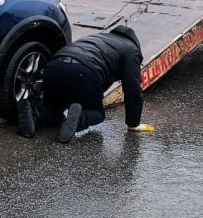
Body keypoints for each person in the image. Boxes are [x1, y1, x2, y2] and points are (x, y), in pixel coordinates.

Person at [17, 24, 153, 143]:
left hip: (54, 67)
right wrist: (133, 123)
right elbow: (133, 88)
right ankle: (80, 118)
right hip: (85, 71)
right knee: (97, 113)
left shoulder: (100, 38)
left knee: (53, 110)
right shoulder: (131, 50)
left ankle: (34, 113)